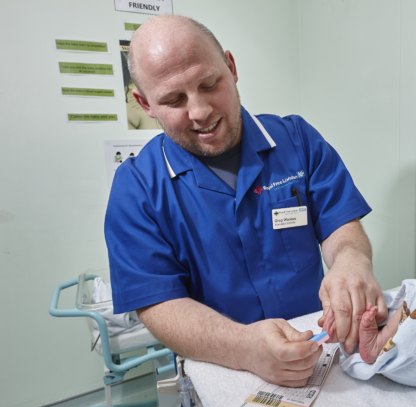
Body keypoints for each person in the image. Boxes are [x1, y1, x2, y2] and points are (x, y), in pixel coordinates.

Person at [104, 15, 387, 387]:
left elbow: (342, 226)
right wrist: (243, 348)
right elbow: (158, 304)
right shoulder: (136, 188)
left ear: (232, 68)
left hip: (320, 352)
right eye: (173, 99)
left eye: (209, 84)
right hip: (223, 367)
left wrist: (351, 261)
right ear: (145, 104)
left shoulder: (297, 140)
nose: (200, 111)